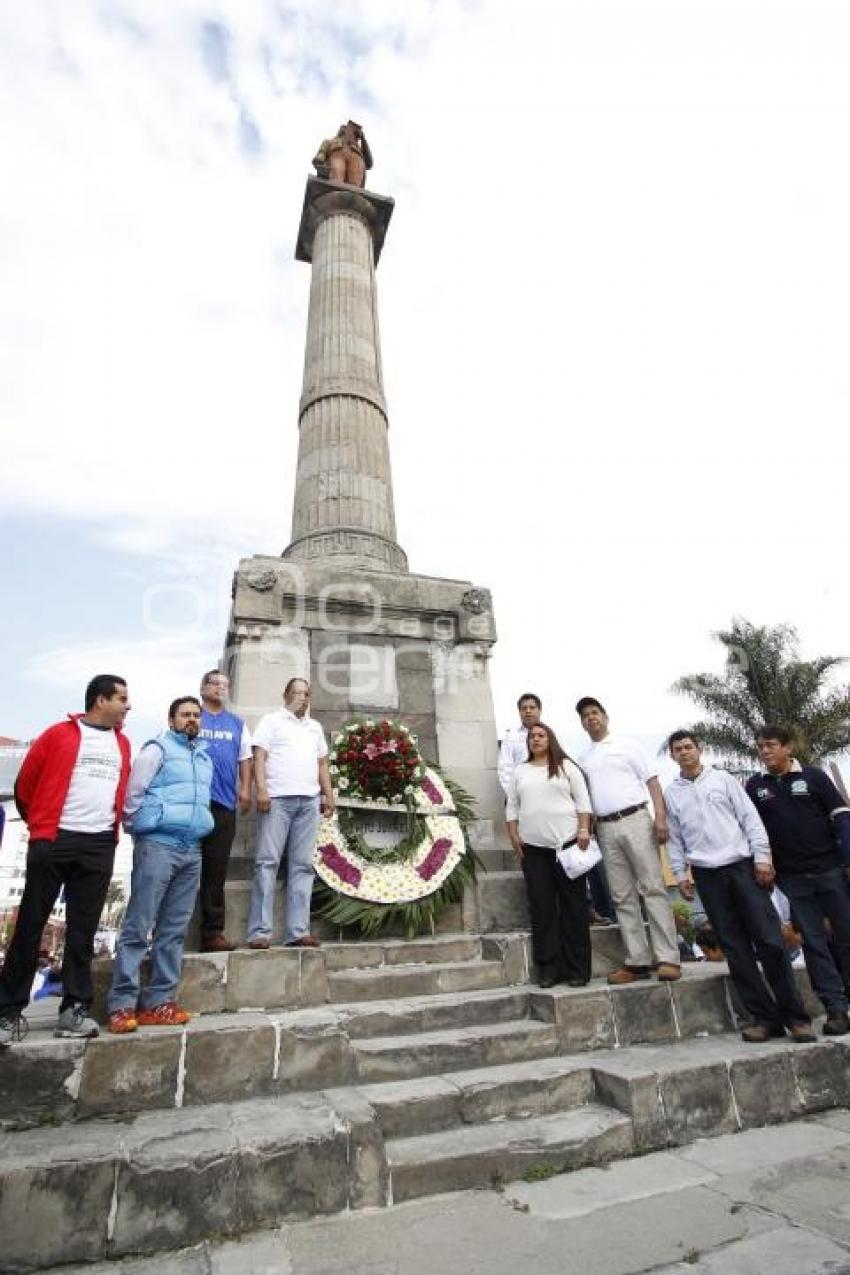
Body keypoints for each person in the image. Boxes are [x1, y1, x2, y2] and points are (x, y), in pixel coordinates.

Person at [0, 675, 132, 1048]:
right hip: (55, 840)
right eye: (122, 698)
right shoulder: (58, 735)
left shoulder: (123, 743)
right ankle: (8, 1010)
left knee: (82, 931)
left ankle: (74, 1007)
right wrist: (42, 825)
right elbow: (27, 785)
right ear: (100, 700)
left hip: (99, 844)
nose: (128, 705)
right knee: (30, 924)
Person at [665, 730, 815, 1043]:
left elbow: (750, 819)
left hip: (741, 867)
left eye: (688, 747)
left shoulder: (723, 780)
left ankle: (796, 1018)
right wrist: (680, 874)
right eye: (677, 749)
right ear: (672, 756)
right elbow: (675, 839)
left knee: (770, 940)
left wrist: (762, 858)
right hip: (706, 875)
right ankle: (765, 1019)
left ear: (700, 749)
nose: (683, 752)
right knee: (735, 949)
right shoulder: (672, 793)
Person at [106, 697, 213, 1034]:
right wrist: (141, 829)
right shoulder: (157, 749)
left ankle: (158, 1003)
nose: (192, 720)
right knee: (139, 925)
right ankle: (121, 1005)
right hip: (158, 845)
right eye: (185, 715)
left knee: (174, 930)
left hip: (192, 848)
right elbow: (134, 793)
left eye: (196, 715)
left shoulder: (204, 757)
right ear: (171, 720)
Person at [746, 725, 850, 1036]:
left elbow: (841, 817)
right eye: (760, 746)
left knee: (846, 937)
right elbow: (754, 830)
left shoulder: (815, 777)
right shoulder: (755, 787)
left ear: (788, 747)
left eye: (771, 745)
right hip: (792, 879)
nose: (765, 751)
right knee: (815, 944)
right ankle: (835, 1009)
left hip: (831, 871)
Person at [576, 696, 681, 984]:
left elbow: (653, 782)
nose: (591, 718)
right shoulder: (583, 758)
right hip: (605, 828)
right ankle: (637, 960)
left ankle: (668, 957)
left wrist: (660, 817)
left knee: (653, 888)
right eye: (585, 716)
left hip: (635, 818)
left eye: (595, 713)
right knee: (621, 895)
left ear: (605, 716)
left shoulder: (628, 745)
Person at [245, 679, 334, 949]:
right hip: (277, 800)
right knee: (267, 863)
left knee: (303, 866)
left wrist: (328, 794)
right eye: (296, 693)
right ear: (285, 695)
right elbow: (259, 756)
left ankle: (297, 931)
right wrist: (261, 789)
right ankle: (260, 932)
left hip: (308, 802)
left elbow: (321, 763)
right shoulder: (272, 721)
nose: (302, 698)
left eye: (306, 694)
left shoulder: (314, 727)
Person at [506, 722, 593, 988]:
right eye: (532, 736)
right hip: (534, 851)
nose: (535, 739)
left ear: (550, 739)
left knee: (574, 908)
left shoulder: (567, 766)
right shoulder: (520, 772)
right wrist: (514, 836)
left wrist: (583, 829)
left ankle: (578, 969)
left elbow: (583, 802)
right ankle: (549, 969)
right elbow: (512, 807)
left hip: (568, 847)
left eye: (541, 735)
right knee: (542, 908)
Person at [197, 670, 253, 952]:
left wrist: (245, 789)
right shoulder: (192, 716)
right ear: (203, 687)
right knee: (181, 869)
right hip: (192, 804)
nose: (220, 688)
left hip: (222, 804)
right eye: (214, 683)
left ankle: (212, 933)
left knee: (216, 872)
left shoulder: (237, 724)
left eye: (224, 684)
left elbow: (245, 759)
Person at [498, 693, 543, 797]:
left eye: (532, 707)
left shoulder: (551, 734)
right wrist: (515, 797)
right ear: (519, 712)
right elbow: (505, 769)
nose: (528, 711)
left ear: (540, 711)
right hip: (521, 795)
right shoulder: (510, 737)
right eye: (524, 708)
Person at [312, 121, 373, 188]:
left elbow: (369, 163)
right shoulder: (330, 141)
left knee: (354, 184)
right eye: (344, 127)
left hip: (356, 159)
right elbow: (321, 153)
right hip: (336, 156)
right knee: (336, 178)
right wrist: (320, 160)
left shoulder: (358, 148)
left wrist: (363, 138)